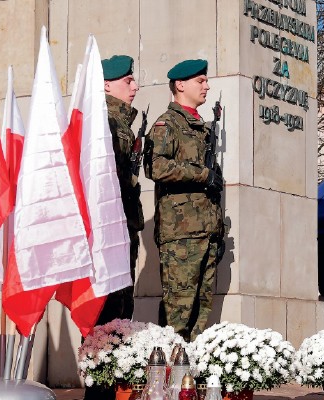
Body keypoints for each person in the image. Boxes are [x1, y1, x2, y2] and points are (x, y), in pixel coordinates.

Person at [143, 59, 224, 342]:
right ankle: (167, 380)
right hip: (181, 235)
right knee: (178, 313)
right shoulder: (169, 124)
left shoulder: (199, 127)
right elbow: (156, 167)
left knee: (200, 315)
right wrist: (203, 175)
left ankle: (189, 380)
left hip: (205, 231)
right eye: (200, 81)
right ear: (180, 85)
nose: (207, 86)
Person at [83, 54, 145, 400]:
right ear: (107, 84)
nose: (134, 86)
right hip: (108, 233)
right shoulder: (103, 121)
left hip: (123, 230)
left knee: (121, 313)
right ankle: (97, 393)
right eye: (127, 80)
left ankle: (108, 390)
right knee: (105, 313)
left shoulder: (121, 122)